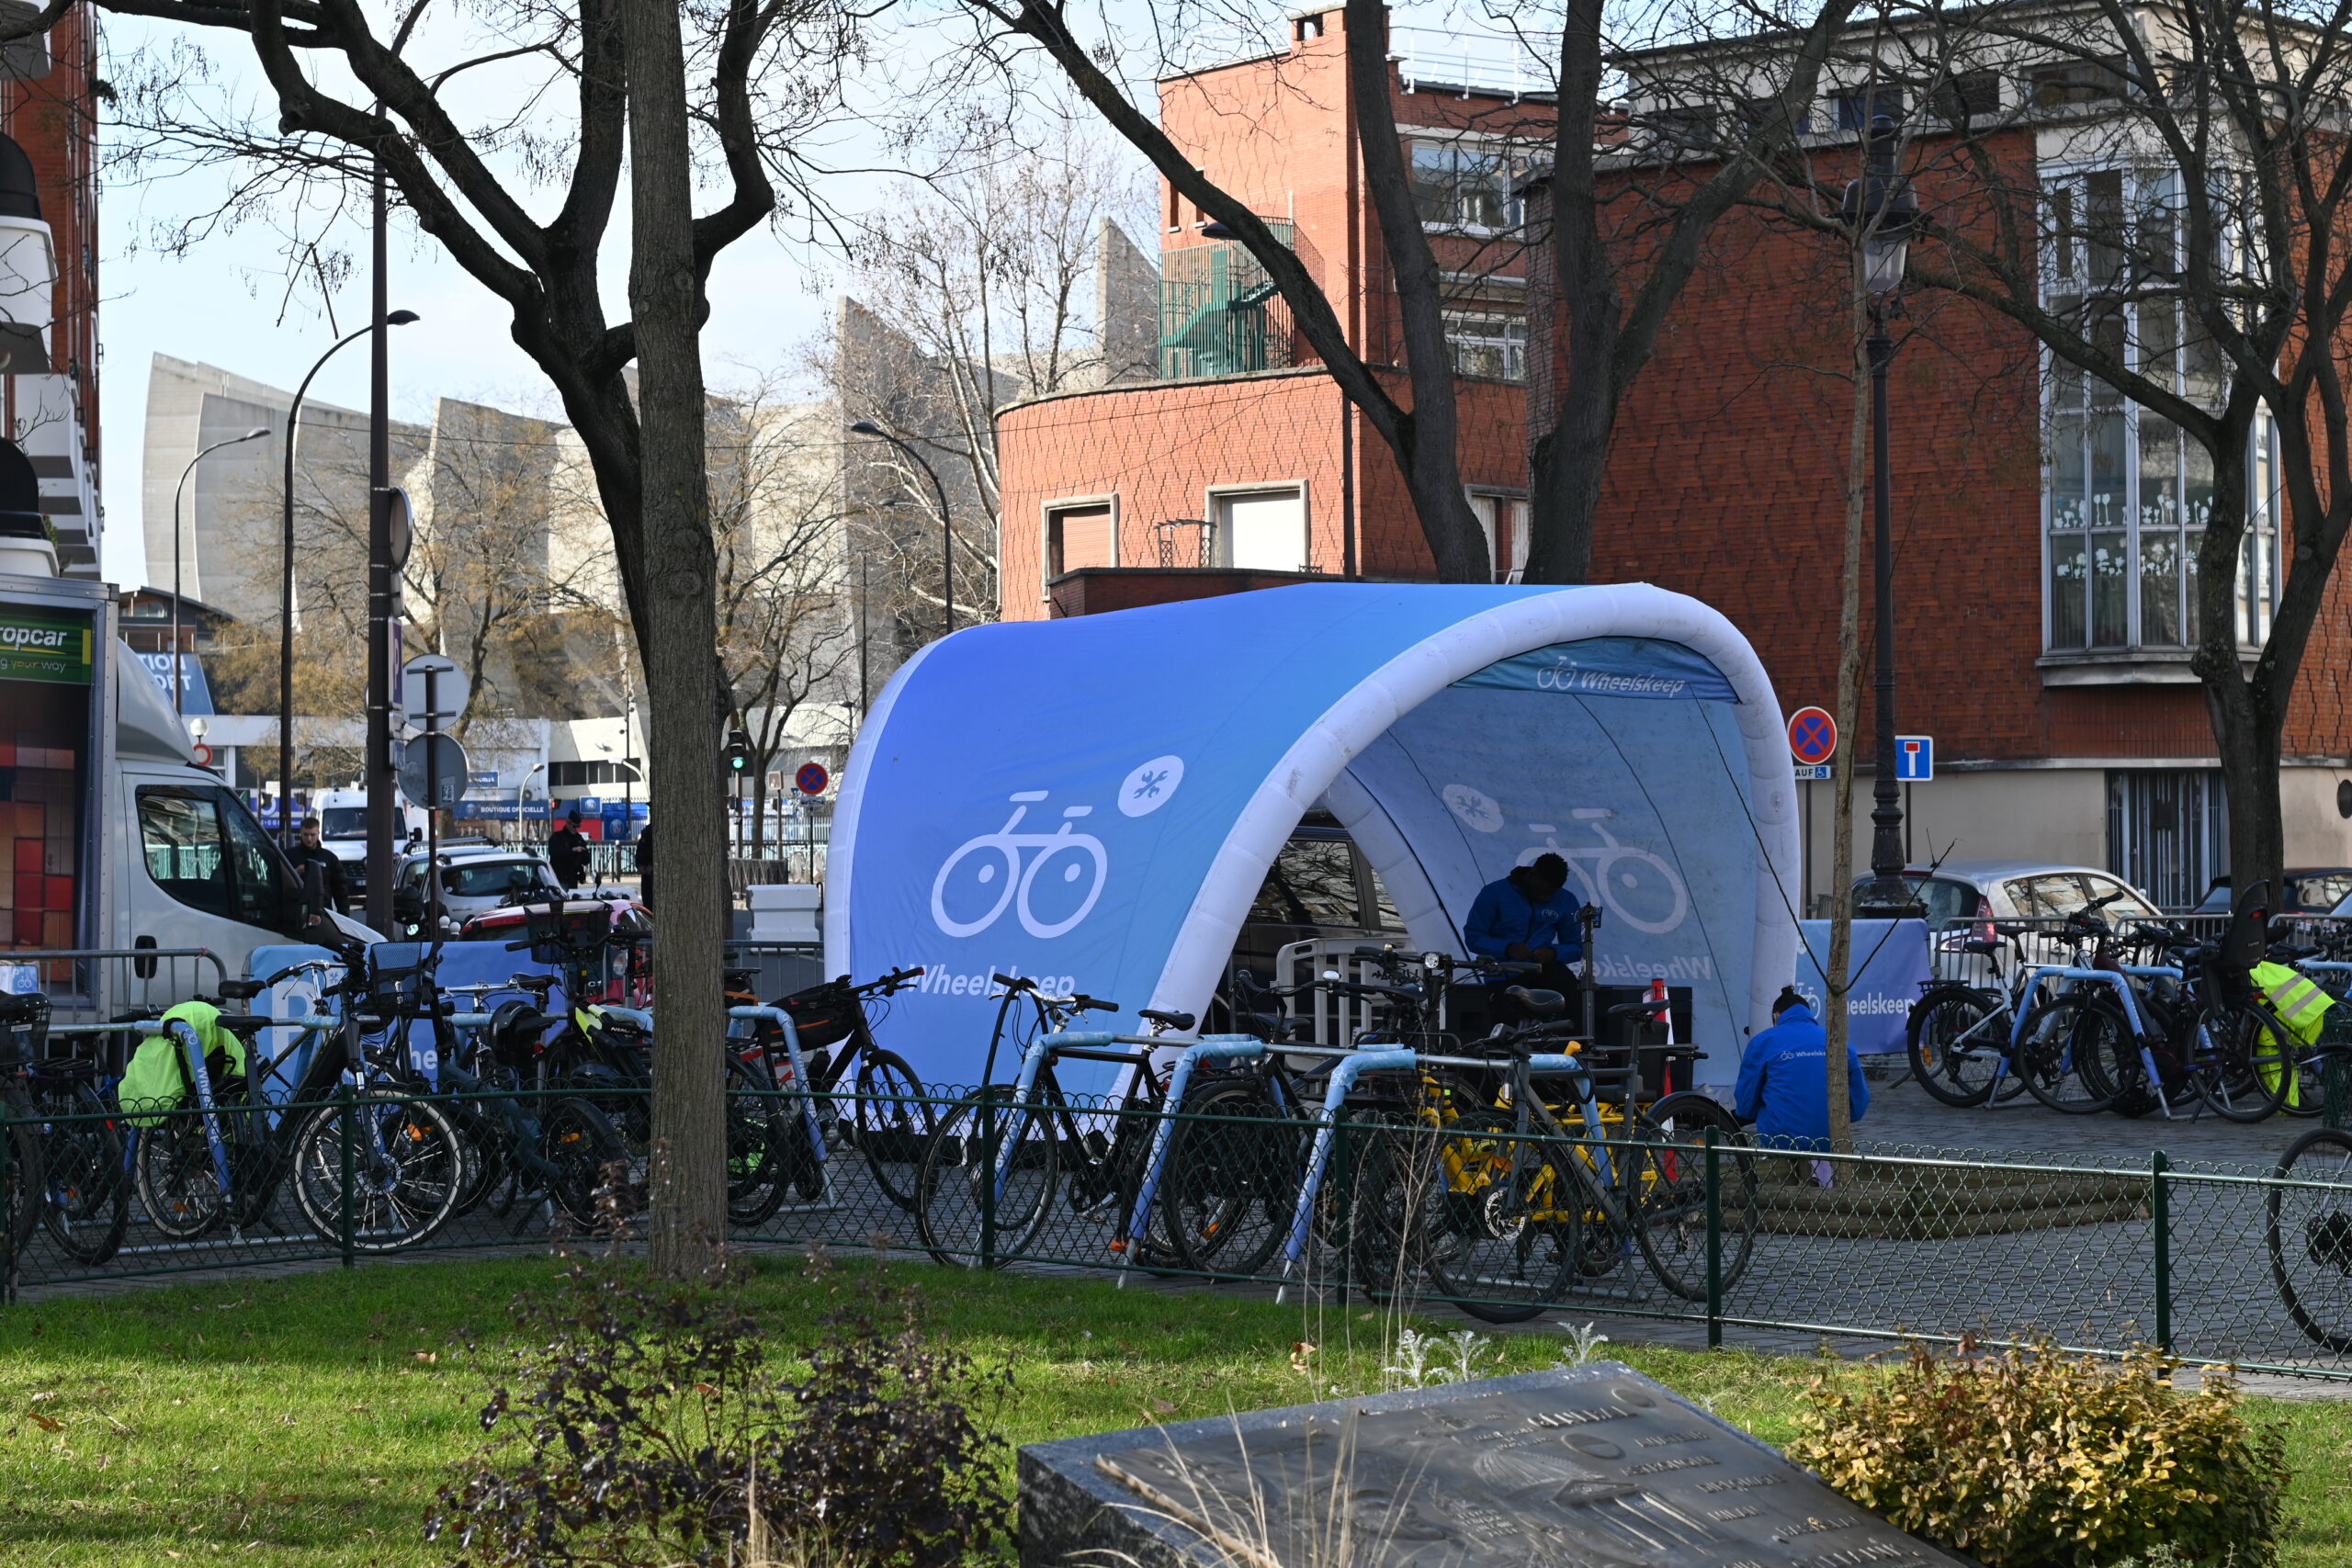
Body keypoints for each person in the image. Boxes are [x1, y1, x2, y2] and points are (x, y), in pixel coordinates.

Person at [1736, 986, 1870, 1169]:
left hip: (1781, 1144)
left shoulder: (1763, 1041)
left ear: (1776, 1016)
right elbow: (1859, 1102)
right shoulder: (1838, 1041)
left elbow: (1745, 1103)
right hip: (1831, 1141)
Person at [285, 816, 348, 914]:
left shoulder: (329, 858)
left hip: (322, 911)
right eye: (305, 835)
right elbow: (281, 883)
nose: (309, 839)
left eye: (312, 835)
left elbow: (340, 890)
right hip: (296, 911)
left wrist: (343, 915)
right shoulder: (289, 856)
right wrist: (296, 872)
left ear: (318, 833)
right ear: (300, 833)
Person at [548, 810, 592, 891]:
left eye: (578, 827)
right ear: (568, 823)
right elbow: (554, 853)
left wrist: (585, 853)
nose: (576, 829)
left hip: (573, 879)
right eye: (574, 827)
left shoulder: (579, 839)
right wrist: (572, 850)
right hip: (559, 878)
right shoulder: (557, 837)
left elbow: (586, 861)